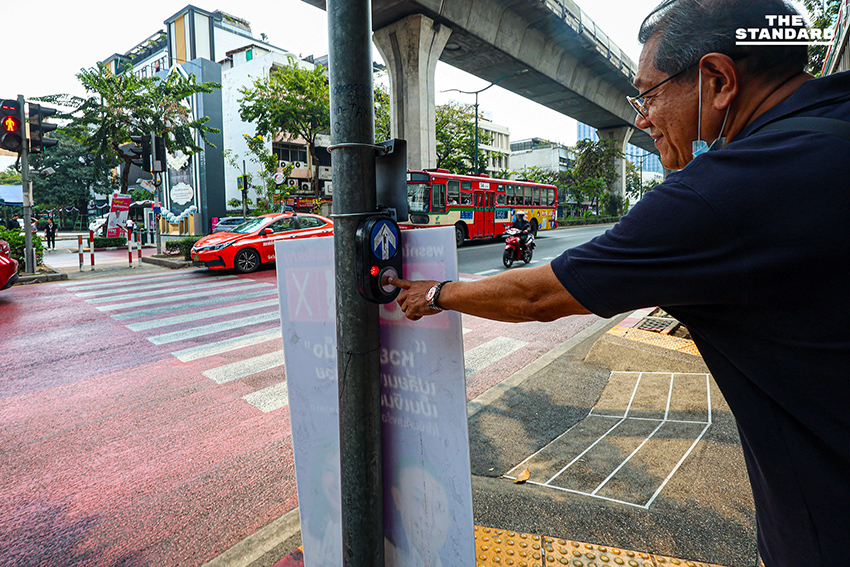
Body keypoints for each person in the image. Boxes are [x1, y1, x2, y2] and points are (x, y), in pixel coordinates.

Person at [390, 1, 849, 565]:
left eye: (650, 95)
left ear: (719, 80)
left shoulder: (722, 194)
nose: (641, 118)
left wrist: (436, 293)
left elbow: (539, 295)